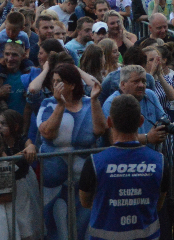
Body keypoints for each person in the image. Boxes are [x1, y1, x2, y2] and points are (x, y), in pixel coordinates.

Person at [79, 93, 168, 240]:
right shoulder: (160, 162)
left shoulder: (95, 162)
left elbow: (85, 202)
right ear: (141, 121)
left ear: (109, 121)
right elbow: (158, 204)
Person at [37, 63, 106, 240]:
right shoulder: (48, 104)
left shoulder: (87, 103)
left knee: (84, 227)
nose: (55, 85)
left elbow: (100, 130)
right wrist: (60, 105)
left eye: (59, 81)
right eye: (53, 82)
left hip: (84, 181)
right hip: (54, 182)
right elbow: (47, 133)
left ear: (72, 84)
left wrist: (94, 100)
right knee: (56, 229)